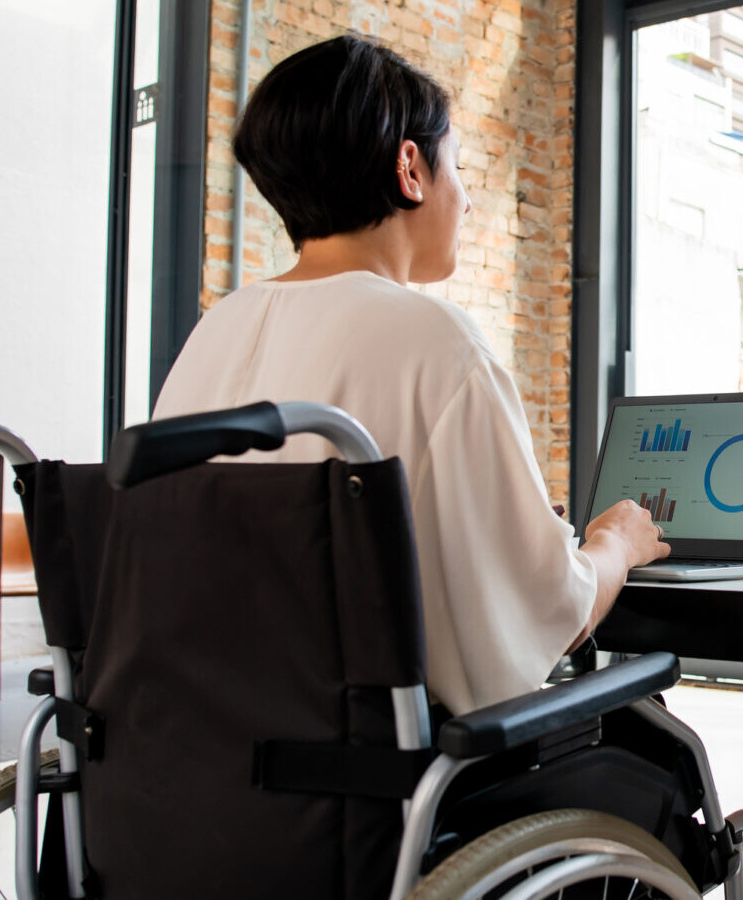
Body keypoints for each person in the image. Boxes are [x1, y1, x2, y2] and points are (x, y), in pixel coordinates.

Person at [152, 35, 669, 716]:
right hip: (381, 784)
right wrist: (614, 545)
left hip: (206, 759)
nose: (467, 199)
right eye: (457, 164)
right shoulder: (438, 342)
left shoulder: (213, 330)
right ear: (410, 169)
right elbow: (553, 617)